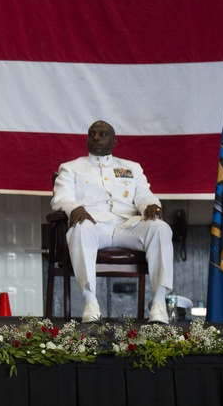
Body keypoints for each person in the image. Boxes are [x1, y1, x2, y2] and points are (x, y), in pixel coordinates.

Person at [51, 120, 173, 324]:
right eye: (92, 134)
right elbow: (61, 197)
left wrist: (151, 204)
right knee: (79, 227)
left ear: (114, 141)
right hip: (94, 226)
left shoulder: (131, 168)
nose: (96, 137)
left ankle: (159, 303)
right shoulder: (71, 167)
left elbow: (144, 195)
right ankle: (90, 302)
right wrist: (74, 208)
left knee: (160, 227)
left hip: (127, 226)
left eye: (102, 134)